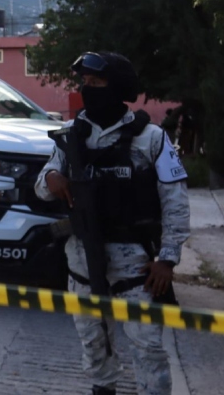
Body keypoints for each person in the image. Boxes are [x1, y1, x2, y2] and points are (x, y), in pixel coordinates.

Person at [35, 52, 190, 395]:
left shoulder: (150, 138)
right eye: (85, 83)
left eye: (97, 83)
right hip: (84, 265)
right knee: (95, 349)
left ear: (117, 87)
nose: (88, 90)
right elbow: (42, 185)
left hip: (137, 270)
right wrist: (53, 179)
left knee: (148, 350)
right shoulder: (73, 135)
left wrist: (167, 259)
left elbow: (176, 202)